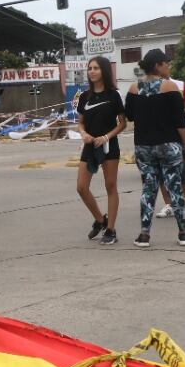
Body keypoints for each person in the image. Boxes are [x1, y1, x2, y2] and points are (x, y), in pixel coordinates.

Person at [126, 49, 185, 248]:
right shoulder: (170, 87)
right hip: (168, 145)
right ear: (157, 66)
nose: (168, 67)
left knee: (148, 189)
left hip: (144, 146)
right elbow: (180, 121)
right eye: (166, 63)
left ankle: (144, 234)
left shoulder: (134, 89)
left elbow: (129, 115)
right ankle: (183, 233)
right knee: (175, 187)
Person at [75, 55, 127, 245]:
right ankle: (100, 220)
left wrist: (106, 137)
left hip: (108, 146)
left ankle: (111, 230)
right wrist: (83, 134)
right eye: (90, 68)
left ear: (104, 70)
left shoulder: (113, 95)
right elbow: (80, 123)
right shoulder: (84, 97)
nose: (92, 71)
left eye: (96, 68)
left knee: (110, 186)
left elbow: (122, 123)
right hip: (90, 146)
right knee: (81, 187)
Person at [155, 67, 185, 220]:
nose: (163, 68)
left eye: (165, 64)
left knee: (184, 171)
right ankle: (169, 204)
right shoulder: (148, 87)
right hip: (157, 135)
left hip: (178, 134)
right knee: (161, 172)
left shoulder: (181, 86)